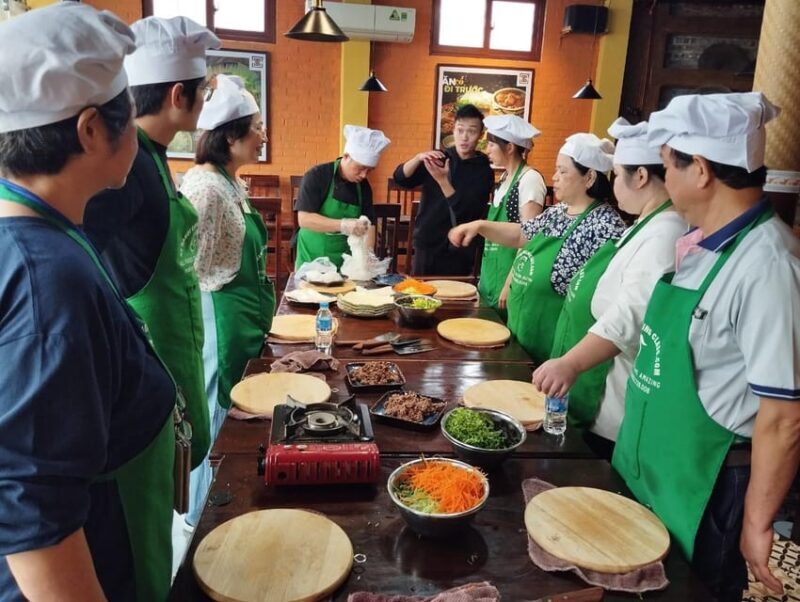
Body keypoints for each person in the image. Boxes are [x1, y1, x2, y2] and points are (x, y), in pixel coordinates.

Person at [0, 4, 179, 600]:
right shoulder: (48, 281)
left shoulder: (46, 233)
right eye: (128, 113)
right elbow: (34, 515)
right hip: (93, 560)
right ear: (91, 130)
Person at [610, 92, 800, 600]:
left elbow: (784, 416)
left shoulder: (769, 265)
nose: (663, 178)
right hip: (658, 465)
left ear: (700, 169)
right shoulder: (705, 245)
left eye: (667, 164)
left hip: (707, 481)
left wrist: (756, 523)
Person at [83, 16, 220, 477]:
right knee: (161, 464)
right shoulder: (132, 163)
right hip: (152, 341)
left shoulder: (152, 156)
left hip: (174, 330)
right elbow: (86, 254)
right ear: (179, 95)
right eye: (202, 94)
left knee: (179, 457)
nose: (202, 105)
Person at [532, 118, 687, 458]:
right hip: (602, 388)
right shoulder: (644, 225)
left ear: (641, 176)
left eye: (616, 176)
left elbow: (630, 315)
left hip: (620, 399)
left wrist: (571, 363)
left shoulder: (665, 233)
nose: (612, 186)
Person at [179, 74, 275, 526]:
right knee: (219, 418)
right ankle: (204, 518)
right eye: (257, 127)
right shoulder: (204, 188)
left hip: (242, 319)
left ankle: (229, 503)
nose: (263, 135)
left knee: (239, 415)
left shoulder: (230, 182)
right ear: (230, 136)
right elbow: (187, 270)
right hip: (220, 323)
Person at [449, 133, 625, 363]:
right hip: (523, 332)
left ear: (589, 177)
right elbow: (522, 234)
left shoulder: (605, 227)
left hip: (558, 350)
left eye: (562, 171)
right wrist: (480, 226)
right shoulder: (558, 212)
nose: (554, 177)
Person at [394, 104, 495, 276]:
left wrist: (442, 181)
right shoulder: (439, 158)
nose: (464, 137)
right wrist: (417, 158)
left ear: (480, 135)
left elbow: (468, 212)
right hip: (428, 241)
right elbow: (401, 179)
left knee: (455, 291)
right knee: (421, 290)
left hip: (460, 247)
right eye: (460, 130)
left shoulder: (483, 169)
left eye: (471, 131)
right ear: (453, 130)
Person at [295, 125, 390, 269]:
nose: (364, 175)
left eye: (369, 170)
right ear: (346, 156)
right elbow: (304, 219)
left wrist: (368, 255)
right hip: (312, 258)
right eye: (360, 168)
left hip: (345, 262)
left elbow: (369, 225)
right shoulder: (317, 176)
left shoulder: (363, 186)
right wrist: (343, 225)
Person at [478, 114, 547, 313]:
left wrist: (510, 283)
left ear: (509, 147)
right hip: (491, 275)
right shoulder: (505, 178)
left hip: (508, 277)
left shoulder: (530, 180)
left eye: (492, 144)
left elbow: (528, 238)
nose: (487, 150)